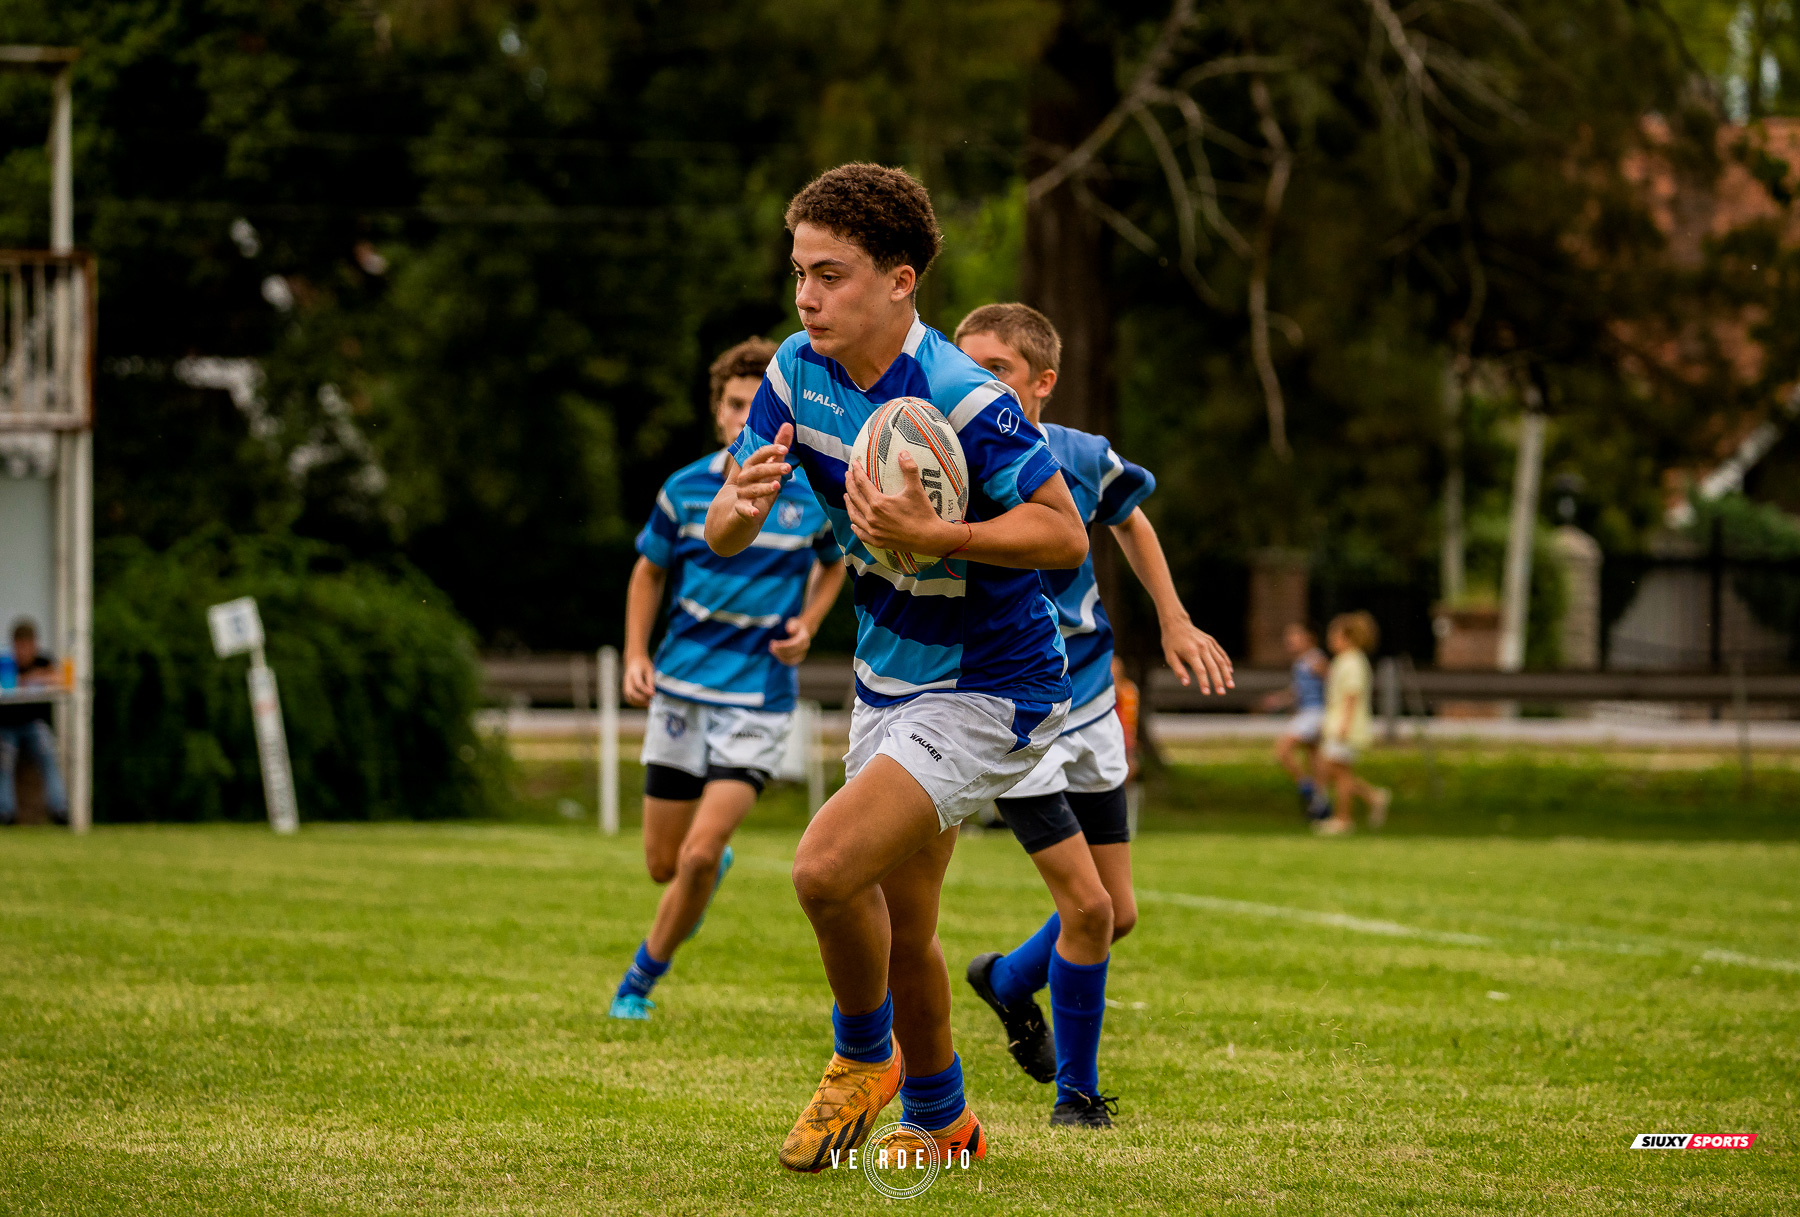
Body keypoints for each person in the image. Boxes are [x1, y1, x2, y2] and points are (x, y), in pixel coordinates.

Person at [709, 164, 1090, 1171]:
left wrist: (941, 530)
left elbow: (1063, 535)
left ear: (899, 280)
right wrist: (741, 509)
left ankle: (861, 1056)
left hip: (991, 681)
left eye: (830, 274)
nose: (806, 296)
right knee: (906, 922)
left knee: (825, 868)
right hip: (889, 673)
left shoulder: (967, 398)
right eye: (800, 272)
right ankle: (944, 1121)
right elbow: (724, 524)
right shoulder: (796, 370)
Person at [951, 303, 1233, 1128]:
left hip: (1094, 697)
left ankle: (1006, 979)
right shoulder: (938, 463)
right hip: (1013, 706)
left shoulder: (1078, 456)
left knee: (1120, 911)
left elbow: (1132, 519)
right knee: (1089, 912)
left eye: (996, 367)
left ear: (1042, 382)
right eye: (966, 366)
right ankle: (1076, 1097)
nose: (977, 382)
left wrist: (1174, 619)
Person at [609, 337, 847, 1021]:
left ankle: (638, 981)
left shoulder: (808, 496)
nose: (746, 416)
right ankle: (705, 868)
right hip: (681, 690)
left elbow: (833, 563)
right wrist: (635, 653)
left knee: (700, 849)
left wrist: (808, 622)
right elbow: (648, 570)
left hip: (759, 697)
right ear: (718, 413)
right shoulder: (685, 490)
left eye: (757, 404)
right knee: (665, 862)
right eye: (734, 404)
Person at [1314, 611, 1391, 836]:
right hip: (1338, 723)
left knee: (1338, 772)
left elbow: (1351, 695)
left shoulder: (1352, 661)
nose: (1331, 639)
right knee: (1335, 771)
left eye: (1334, 634)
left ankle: (1344, 819)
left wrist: (1344, 725)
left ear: (1347, 637)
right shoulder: (1345, 661)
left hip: (1345, 725)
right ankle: (1373, 797)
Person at [0, 618, 69, 827]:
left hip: (32, 725)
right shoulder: (6, 663)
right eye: (19, 645)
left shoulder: (43, 660)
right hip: (6, 727)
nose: (23, 650)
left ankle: (60, 810)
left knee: (48, 750)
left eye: (27, 645)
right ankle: (5, 813)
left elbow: (58, 678)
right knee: (4, 759)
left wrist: (32, 678)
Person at [1261, 622, 1330, 818]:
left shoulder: (1316, 660)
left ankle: (1306, 787)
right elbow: (1299, 691)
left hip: (1315, 713)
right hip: (1306, 712)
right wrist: (1279, 700)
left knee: (1283, 748)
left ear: (1309, 638)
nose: (1290, 641)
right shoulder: (1300, 662)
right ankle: (1320, 801)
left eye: (1295, 636)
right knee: (1313, 756)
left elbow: (1332, 684)